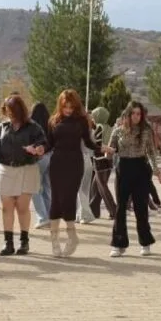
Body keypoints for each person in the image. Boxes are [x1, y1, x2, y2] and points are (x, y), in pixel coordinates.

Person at [0, 95, 47, 256]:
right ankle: (8, 243)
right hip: (6, 169)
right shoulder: (1, 127)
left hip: (27, 169)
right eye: (6, 109)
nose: (9, 113)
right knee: (6, 207)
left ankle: (24, 242)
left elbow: (43, 142)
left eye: (12, 110)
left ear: (19, 110)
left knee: (22, 207)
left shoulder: (33, 127)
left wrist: (39, 149)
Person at [47, 90, 110, 257]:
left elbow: (88, 142)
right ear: (60, 105)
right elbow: (49, 144)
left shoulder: (82, 121)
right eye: (65, 106)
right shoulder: (53, 121)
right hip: (56, 163)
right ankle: (54, 241)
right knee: (55, 200)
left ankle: (72, 236)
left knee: (69, 199)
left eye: (71, 106)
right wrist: (39, 149)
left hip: (75, 163)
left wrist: (101, 148)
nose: (68, 110)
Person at [109, 101, 160, 257]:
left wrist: (157, 171)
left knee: (141, 207)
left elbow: (151, 151)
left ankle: (145, 242)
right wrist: (107, 152)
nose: (136, 116)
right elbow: (111, 149)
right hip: (123, 168)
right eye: (133, 113)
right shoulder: (118, 131)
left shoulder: (146, 130)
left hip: (141, 168)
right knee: (121, 207)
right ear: (128, 114)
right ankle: (118, 244)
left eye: (139, 114)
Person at [89, 107, 116, 219]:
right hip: (108, 160)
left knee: (102, 187)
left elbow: (97, 144)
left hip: (99, 161)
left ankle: (114, 211)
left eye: (94, 115)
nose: (92, 118)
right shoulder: (109, 127)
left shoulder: (99, 127)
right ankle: (94, 211)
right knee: (95, 188)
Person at [30, 102, 52, 229]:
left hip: (38, 158)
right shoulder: (50, 124)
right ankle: (50, 217)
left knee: (35, 189)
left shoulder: (32, 126)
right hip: (50, 157)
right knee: (46, 187)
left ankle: (42, 218)